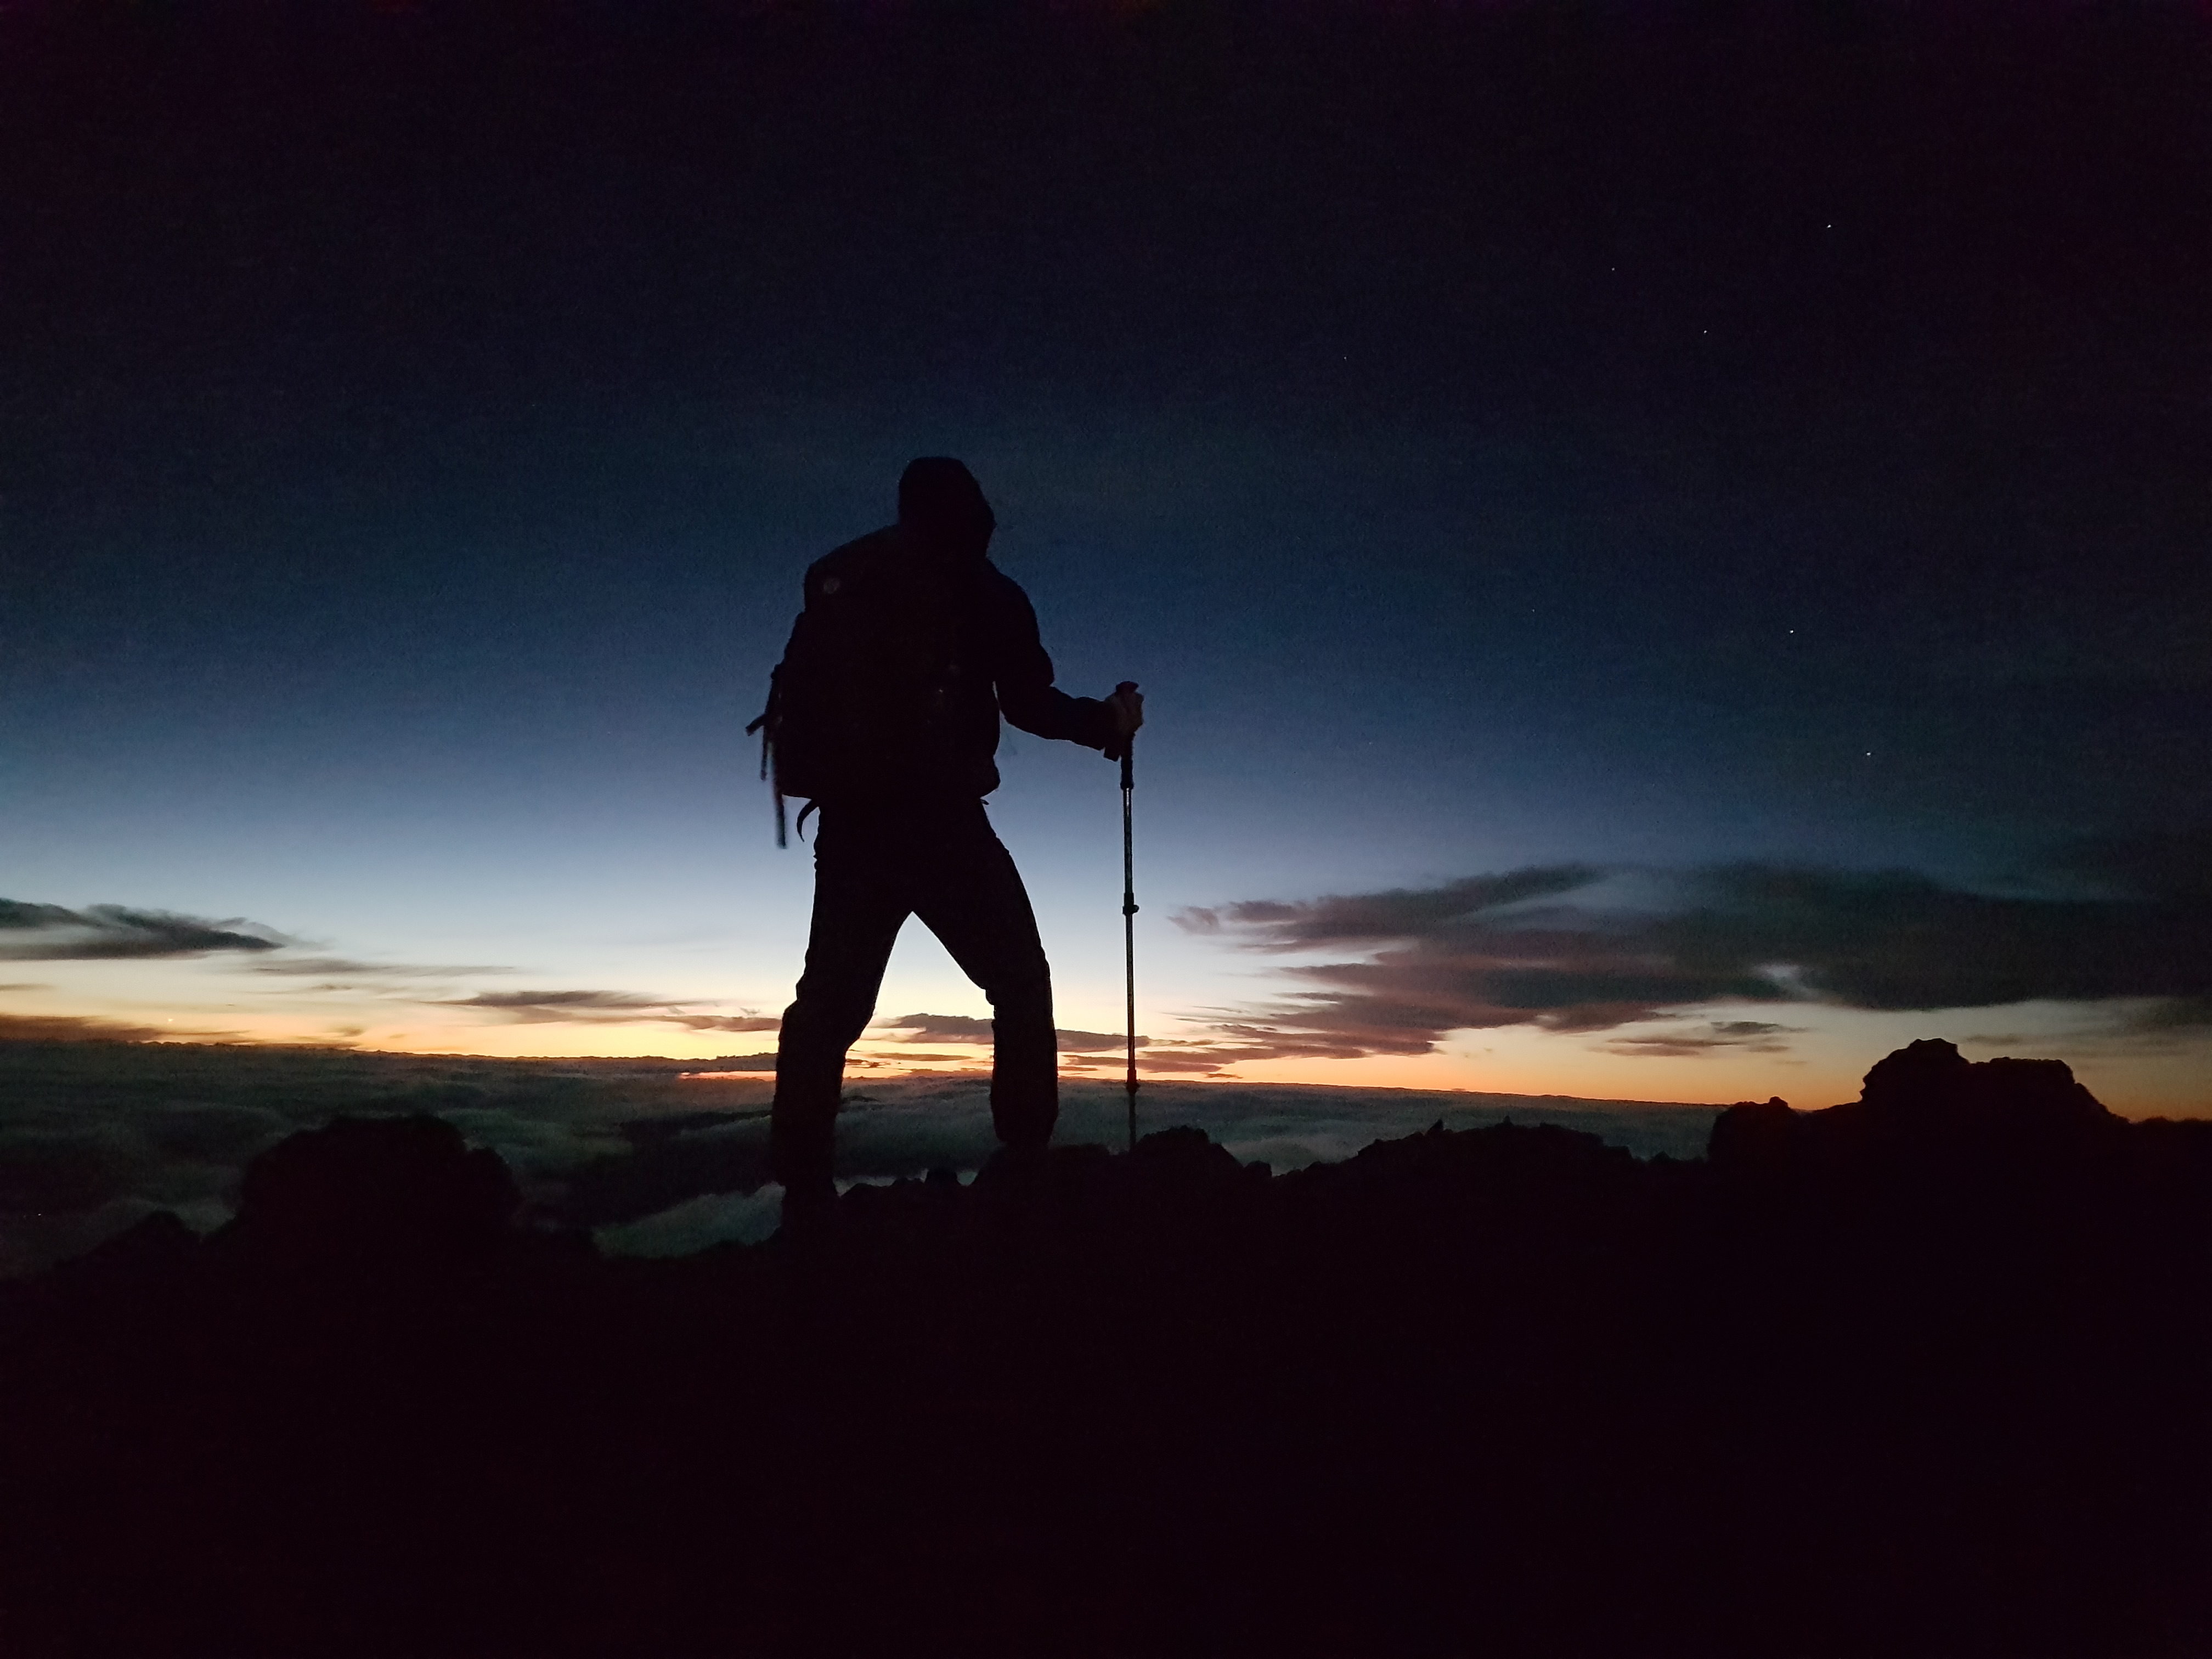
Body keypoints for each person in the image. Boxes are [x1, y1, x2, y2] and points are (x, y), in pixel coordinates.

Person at [752, 458, 1142, 1220]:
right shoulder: (984, 588)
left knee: (828, 1006)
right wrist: (1108, 724)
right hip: (942, 823)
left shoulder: (843, 576)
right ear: (975, 517)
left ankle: (802, 1193)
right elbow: (1029, 704)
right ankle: (1027, 1162)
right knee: (1019, 980)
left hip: (851, 823)